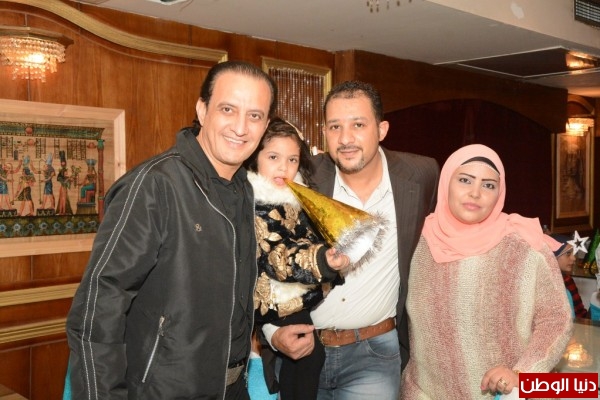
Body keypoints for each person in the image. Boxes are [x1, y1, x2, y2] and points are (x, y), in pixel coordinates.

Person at [65, 60, 277, 399]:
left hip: (233, 388)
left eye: (254, 115)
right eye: (228, 109)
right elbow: (98, 309)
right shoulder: (154, 186)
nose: (240, 127)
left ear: (265, 126)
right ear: (202, 110)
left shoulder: (244, 190)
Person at [264, 81, 439, 400]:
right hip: (302, 353)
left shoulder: (420, 175)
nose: (345, 139)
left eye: (358, 125)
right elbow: (264, 252)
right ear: (324, 132)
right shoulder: (302, 178)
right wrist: (272, 333)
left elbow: (455, 223)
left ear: (382, 129)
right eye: (335, 127)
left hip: (374, 354)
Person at [400, 144, 573, 399]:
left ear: (499, 193)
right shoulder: (415, 240)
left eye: (489, 185)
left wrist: (523, 373)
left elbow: (556, 319)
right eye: (465, 180)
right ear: (446, 182)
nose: (475, 193)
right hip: (423, 392)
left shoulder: (523, 246)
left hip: (501, 395)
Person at [245, 117, 350, 399]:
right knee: (308, 357)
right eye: (273, 157)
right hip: (273, 297)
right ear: (255, 157)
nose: (284, 167)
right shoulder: (256, 201)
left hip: (294, 293)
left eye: (292, 159)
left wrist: (331, 253)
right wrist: (323, 261)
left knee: (307, 359)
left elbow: (307, 236)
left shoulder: (292, 194)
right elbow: (276, 256)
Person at [550, 233, 588, 318]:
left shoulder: (567, 281)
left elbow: (580, 314)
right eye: (568, 253)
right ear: (552, 256)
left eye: (574, 254)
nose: (574, 258)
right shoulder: (541, 284)